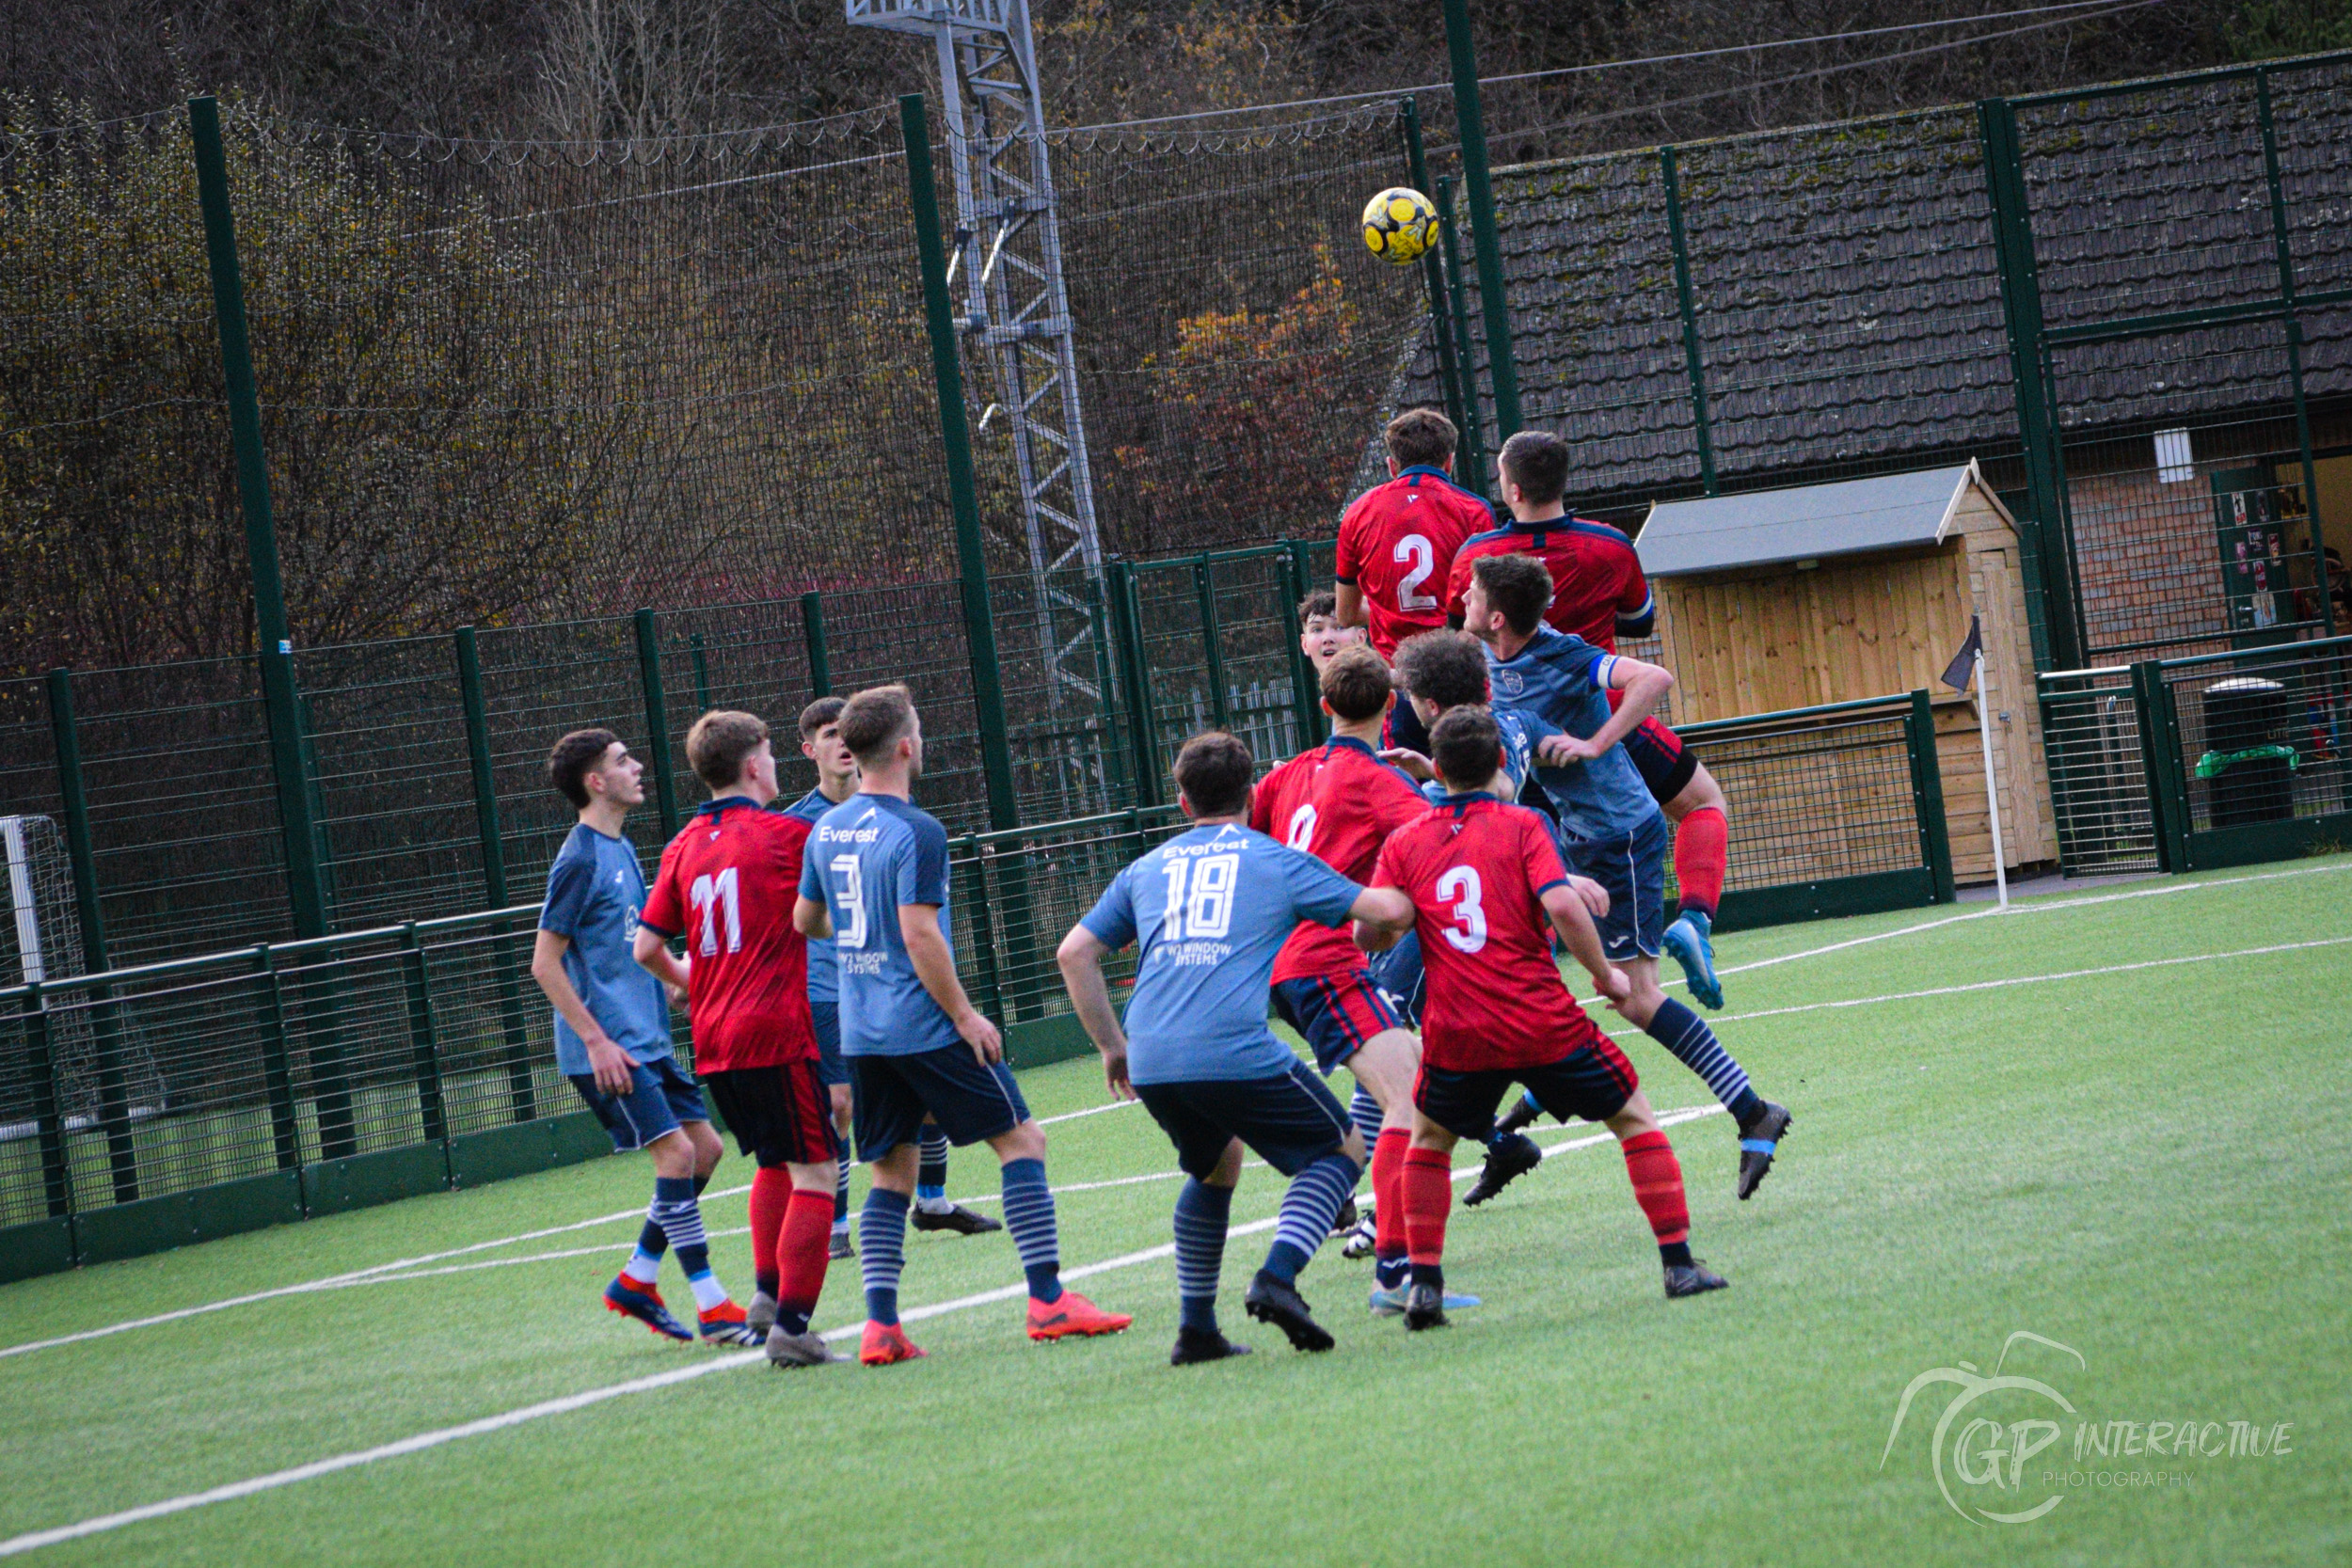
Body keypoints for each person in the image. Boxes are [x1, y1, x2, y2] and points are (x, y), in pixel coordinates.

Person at [1351, 705, 1728, 1327]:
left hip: (1458, 1029)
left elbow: (1374, 930)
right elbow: (1562, 904)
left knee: (1428, 1142)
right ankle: (1679, 1263)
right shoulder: (1524, 824)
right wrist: (1606, 973)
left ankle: (1422, 1288)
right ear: (1502, 762)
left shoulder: (1407, 838)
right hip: (1540, 1018)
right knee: (1633, 1117)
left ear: (1437, 770)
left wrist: (1385, 925)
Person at [793, 685, 1131, 1365]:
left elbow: (806, 921)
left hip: (860, 1029)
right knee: (1023, 1141)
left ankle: (880, 1326)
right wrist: (965, 1013)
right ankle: (1048, 1299)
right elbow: (920, 935)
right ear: (908, 745)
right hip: (922, 1024)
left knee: (891, 1174)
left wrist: (861, 930)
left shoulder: (826, 828)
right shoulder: (917, 829)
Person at [1058, 731, 1398, 1363]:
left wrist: (1112, 1046)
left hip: (1153, 1055)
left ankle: (1196, 1330)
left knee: (1216, 1163)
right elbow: (1383, 909)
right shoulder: (1274, 858)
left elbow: (1074, 953)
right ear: (1251, 793)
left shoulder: (1146, 867)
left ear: (1182, 801)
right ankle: (1277, 1275)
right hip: (1233, 1046)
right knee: (1341, 1147)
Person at [1463, 555, 1791, 1201]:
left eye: (1471, 593)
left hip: (1622, 834)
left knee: (1635, 995)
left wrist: (1597, 741)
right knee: (1546, 976)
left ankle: (1754, 1112)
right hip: (1580, 833)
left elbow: (1654, 675)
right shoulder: (1489, 660)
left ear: (1497, 616)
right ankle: (1536, 1101)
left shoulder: (1559, 653)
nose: (1462, 598)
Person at [1443, 430, 1735, 1011]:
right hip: (1597, 710)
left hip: (1512, 728)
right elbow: (1640, 620)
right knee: (1703, 804)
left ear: (1512, 486)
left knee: (1515, 847)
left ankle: (1528, 983)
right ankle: (1695, 918)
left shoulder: (1478, 555)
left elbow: (1461, 634)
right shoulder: (1608, 544)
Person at [1248, 645, 1477, 1318]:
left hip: (1286, 963)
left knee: (1404, 1089)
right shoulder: (1381, 784)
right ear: (1391, 705)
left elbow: (1255, 847)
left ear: (1323, 706)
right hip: (1327, 963)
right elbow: (1446, 839)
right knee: (1412, 1104)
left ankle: (1384, 1260)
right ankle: (1395, 1272)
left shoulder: (1285, 775)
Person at [634, 711, 838, 1366]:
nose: (775, 765)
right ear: (753, 764)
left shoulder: (683, 843)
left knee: (776, 1161)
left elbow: (646, 946)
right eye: (772, 754)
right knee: (819, 1170)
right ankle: (794, 1328)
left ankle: (765, 1299)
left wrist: (689, 977)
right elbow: (820, 920)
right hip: (774, 1030)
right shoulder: (787, 835)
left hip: (714, 1036)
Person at [530, 728, 737, 1345]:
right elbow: (545, 962)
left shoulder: (621, 849)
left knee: (706, 1151)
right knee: (675, 1155)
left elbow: (630, 944)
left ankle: (638, 1277)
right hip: (609, 1048)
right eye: (622, 761)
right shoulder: (579, 859)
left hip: (646, 1039)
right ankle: (713, 1303)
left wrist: (675, 983)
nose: (638, 766)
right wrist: (595, 1042)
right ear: (597, 782)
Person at [784, 698, 997, 1260]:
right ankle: (833, 1226)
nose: (842, 745)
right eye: (829, 734)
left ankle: (931, 1203)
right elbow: (799, 918)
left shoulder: (901, 815)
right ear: (811, 750)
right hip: (837, 990)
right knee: (841, 1105)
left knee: (924, 1102)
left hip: (907, 982)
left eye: (845, 732)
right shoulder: (801, 825)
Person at [1335, 408, 1492, 758]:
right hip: (1464, 673)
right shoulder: (1475, 511)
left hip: (1402, 678)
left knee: (1412, 795)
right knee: (1477, 780)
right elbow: (1486, 606)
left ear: (1392, 466)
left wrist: (1386, 607)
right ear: (1449, 462)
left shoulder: (1358, 513)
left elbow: (1345, 613)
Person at [1298, 588, 1366, 675]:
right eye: (1317, 630)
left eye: (1340, 628)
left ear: (1360, 638)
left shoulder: (1384, 686)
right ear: (1305, 644)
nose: (1327, 638)